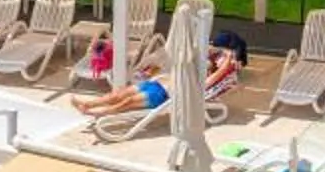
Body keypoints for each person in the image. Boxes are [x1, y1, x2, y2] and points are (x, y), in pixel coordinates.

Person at [70, 33, 248, 117]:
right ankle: (87, 104)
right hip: (158, 82)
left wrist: (227, 64)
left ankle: (99, 113)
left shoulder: (206, 80)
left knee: (127, 102)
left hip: (165, 93)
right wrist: (215, 55)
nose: (219, 57)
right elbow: (199, 52)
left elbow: (221, 73)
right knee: (117, 94)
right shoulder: (203, 63)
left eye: (222, 57)